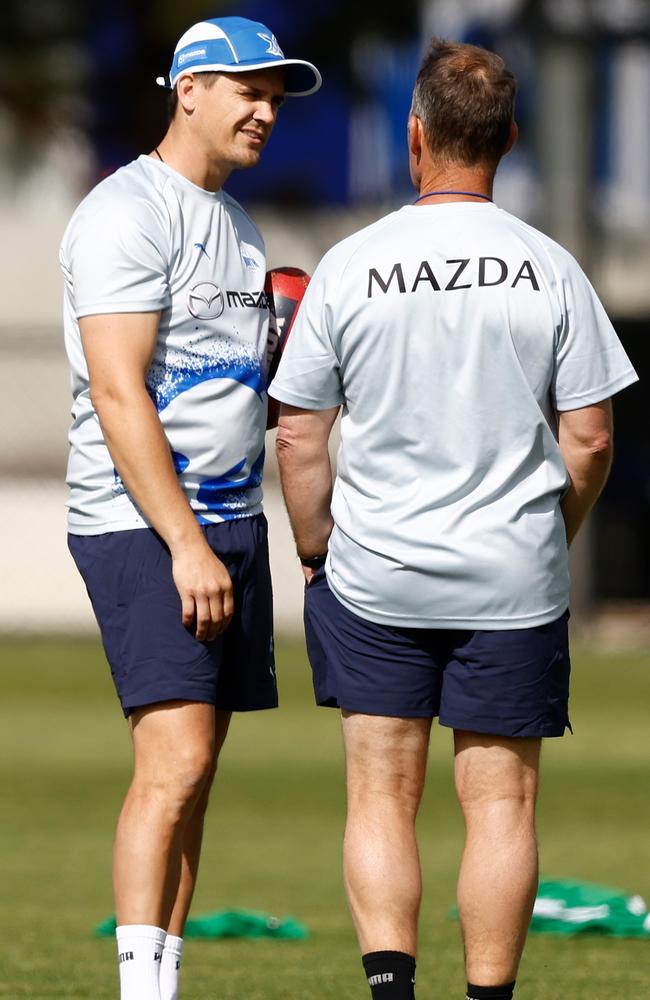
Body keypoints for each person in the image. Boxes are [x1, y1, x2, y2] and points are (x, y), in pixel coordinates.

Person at [269, 37, 638, 1000]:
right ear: (511, 138)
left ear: (414, 135)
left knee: (381, 798)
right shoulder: (550, 266)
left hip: (377, 572)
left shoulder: (354, 264)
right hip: (511, 576)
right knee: (502, 805)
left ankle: (393, 992)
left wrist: (316, 550)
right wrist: (549, 539)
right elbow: (592, 439)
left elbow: (300, 437)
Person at [60, 16, 320, 1000]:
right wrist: (183, 543)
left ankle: (164, 982)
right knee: (171, 760)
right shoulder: (126, 211)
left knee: (198, 766)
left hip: (227, 526)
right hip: (147, 526)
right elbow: (121, 392)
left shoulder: (238, 224)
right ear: (189, 91)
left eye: (276, 94)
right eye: (248, 89)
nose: (265, 109)